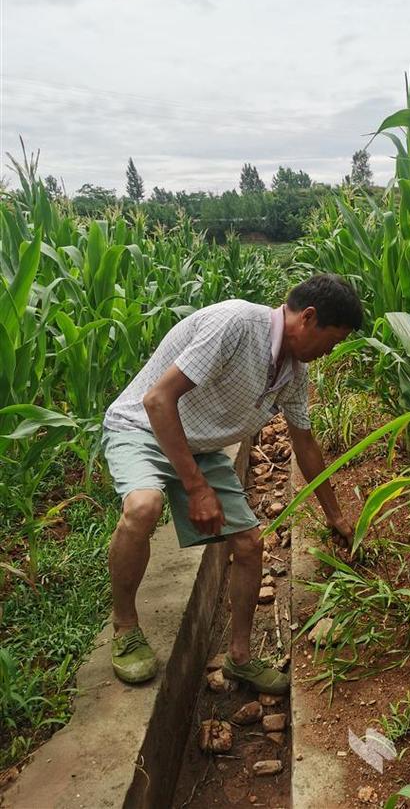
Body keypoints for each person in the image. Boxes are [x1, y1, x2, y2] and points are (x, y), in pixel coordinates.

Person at [102, 273, 362, 692]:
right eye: (331, 341)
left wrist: (336, 516)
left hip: (198, 444)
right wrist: (197, 489)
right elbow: (157, 400)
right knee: (143, 507)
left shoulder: (294, 373)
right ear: (308, 318)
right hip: (143, 428)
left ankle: (239, 658)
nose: (329, 352)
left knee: (249, 544)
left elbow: (305, 444)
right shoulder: (237, 323)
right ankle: (126, 627)